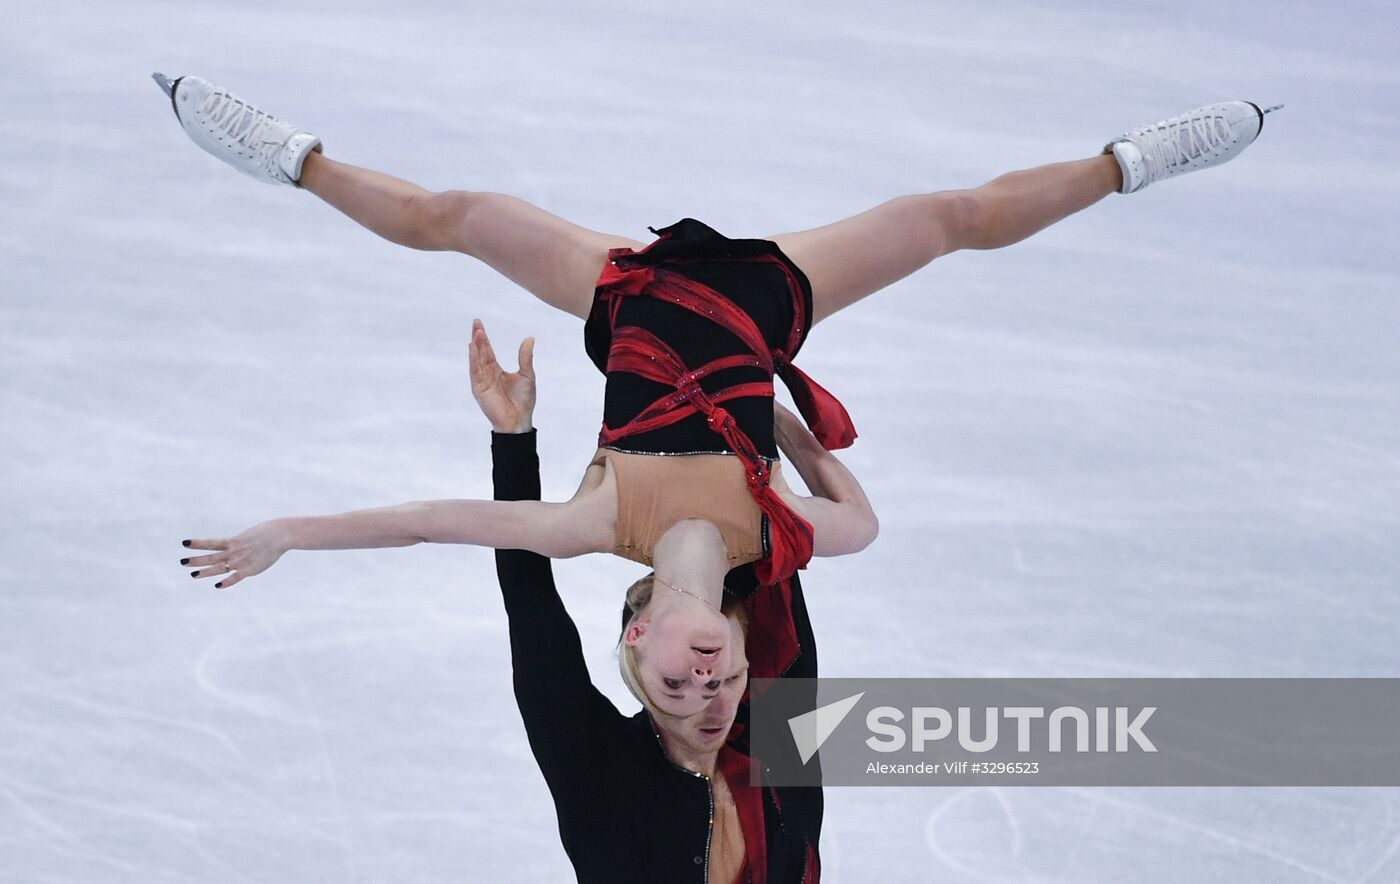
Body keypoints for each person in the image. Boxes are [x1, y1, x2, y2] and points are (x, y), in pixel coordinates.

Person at [164, 74, 1277, 707]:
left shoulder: (589, 525)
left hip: (627, 291)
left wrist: (285, 532)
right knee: (952, 221)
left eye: (667, 688)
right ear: (740, 651)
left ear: (636, 638)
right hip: (762, 302)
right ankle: (1134, 159)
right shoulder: (784, 537)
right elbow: (865, 519)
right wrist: (784, 425)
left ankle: (286, 154)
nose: (699, 685)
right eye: (717, 691)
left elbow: (418, 524)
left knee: (446, 217)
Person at [478, 334, 821, 883]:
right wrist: (512, 439)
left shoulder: (779, 751)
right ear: (639, 659)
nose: (708, 705)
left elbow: (767, 544)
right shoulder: (595, 766)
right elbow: (530, 604)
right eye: (682, 683)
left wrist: (756, 419)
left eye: (724, 680)